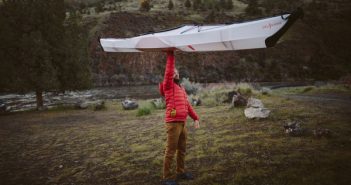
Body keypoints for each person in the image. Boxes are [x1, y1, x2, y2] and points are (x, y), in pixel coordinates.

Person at [159, 50, 200, 185]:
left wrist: (195, 118)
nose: (175, 72)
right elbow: (169, 70)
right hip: (173, 124)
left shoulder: (181, 88)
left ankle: (180, 171)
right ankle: (166, 177)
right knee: (170, 150)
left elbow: (187, 105)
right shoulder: (168, 86)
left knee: (182, 149)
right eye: (173, 71)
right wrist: (170, 53)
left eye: (177, 71)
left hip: (182, 123)